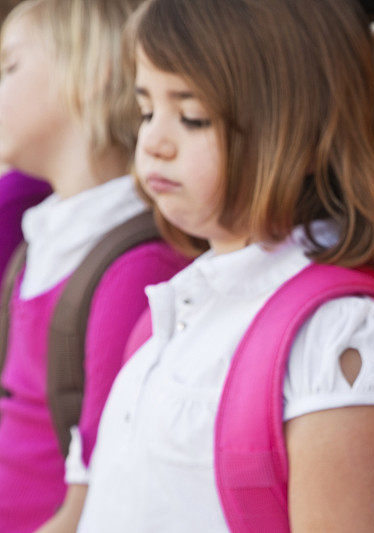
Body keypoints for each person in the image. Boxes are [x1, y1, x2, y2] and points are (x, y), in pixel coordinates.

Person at [78, 0, 374, 531]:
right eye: (147, 110)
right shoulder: (175, 305)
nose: (153, 142)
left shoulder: (336, 341)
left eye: (193, 116)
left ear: (299, 129)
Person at [0, 1, 189, 531]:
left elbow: (98, 491)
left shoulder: (134, 264)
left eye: (10, 67)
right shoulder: (40, 242)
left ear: (90, 72)